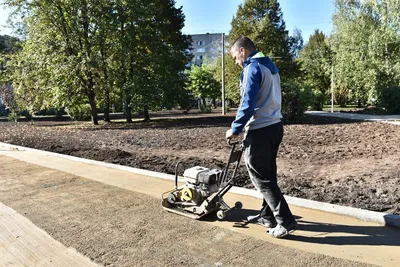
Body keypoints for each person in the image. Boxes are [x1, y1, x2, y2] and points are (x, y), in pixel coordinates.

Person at [226, 36, 297, 238]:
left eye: (235, 57)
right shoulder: (270, 67)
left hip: (259, 129)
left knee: (261, 179)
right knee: (269, 175)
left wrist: (235, 128)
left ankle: (286, 222)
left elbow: (247, 104)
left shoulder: (252, 68)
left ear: (242, 51)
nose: (236, 62)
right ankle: (268, 216)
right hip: (275, 127)